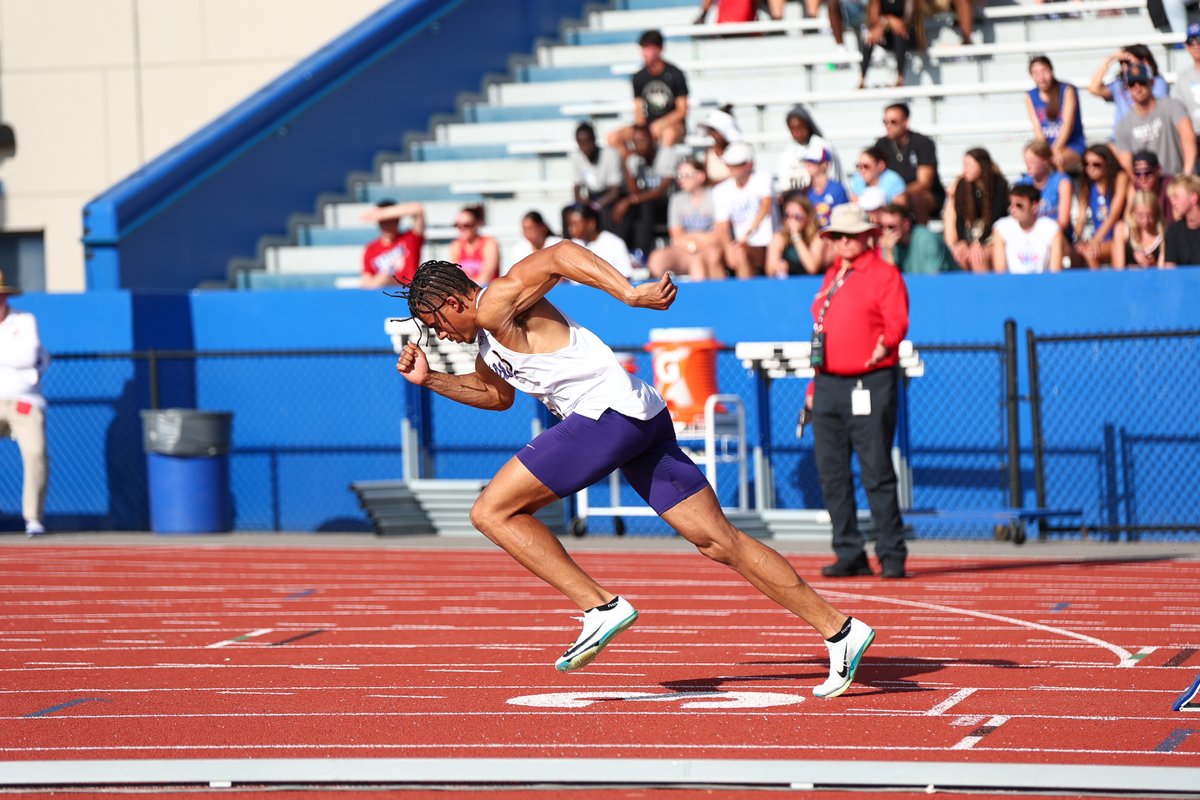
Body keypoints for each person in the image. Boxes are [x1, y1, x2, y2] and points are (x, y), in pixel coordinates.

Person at [394, 244, 876, 697]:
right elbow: (496, 398)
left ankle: (600, 606)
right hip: (638, 418)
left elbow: (560, 255)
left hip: (606, 418)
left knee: (491, 512)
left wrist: (629, 292)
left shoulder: (495, 301)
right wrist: (430, 378)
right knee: (718, 541)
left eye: (433, 324)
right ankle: (841, 629)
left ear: (454, 303)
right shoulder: (487, 341)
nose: (437, 336)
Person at [803, 204, 909, 579]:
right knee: (831, 473)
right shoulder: (834, 273)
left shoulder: (883, 273)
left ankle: (892, 552)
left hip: (870, 381)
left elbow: (897, 318)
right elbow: (823, 329)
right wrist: (815, 384)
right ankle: (848, 550)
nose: (844, 242)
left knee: (876, 470)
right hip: (829, 383)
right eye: (838, 236)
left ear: (867, 237)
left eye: (850, 235)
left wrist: (887, 342)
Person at [0, 271, 49, 537]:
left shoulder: (25, 319)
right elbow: (24, 356)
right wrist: (13, 355)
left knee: (36, 455)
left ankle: (33, 519)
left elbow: (31, 354)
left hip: (25, 402)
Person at [607, 30, 690, 156]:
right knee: (613, 138)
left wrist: (662, 123)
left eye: (648, 48)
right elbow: (639, 111)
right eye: (643, 48)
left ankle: (661, 171)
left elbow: (682, 110)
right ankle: (631, 169)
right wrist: (642, 131)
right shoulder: (639, 77)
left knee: (669, 134)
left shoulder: (675, 74)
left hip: (673, 125)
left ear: (659, 49)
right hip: (648, 125)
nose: (644, 53)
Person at [647, 159, 725, 280]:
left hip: (709, 250)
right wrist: (696, 242)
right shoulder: (676, 200)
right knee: (656, 259)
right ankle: (656, 296)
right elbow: (676, 236)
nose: (681, 179)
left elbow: (718, 235)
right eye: (679, 175)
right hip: (686, 249)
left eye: (686, 175)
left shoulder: (715, 196)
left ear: (701, 176)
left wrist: (691, 239)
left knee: (700, 261)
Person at [1114, 63, 1195, 180]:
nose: (1137, 88)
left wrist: (1187, 173)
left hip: (1176, 178)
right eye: (1132, 84)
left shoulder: (1172, 106)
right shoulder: (1124, 124)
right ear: (1127, 87)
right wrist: (1140, 184)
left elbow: (1188, 137)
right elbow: (1126, 163)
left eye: (1141, 82)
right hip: (1146, 185)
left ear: (1151, 83)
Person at [612, 124, 678, 261]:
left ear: (652, 140)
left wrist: (629, 200)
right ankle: (618, 253)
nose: (639, 145)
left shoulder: (667, 154)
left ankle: (641, 253)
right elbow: (634, 192)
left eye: (642, 141)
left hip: (670, 204)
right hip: (647, 204)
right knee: (631, 206)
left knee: (643, 204)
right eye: (635, 142)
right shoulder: (635, 160)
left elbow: (661, 191)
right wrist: (625, 162)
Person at [874, 103, 945, 224]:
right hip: (892, 194)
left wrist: (900, 193)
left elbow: (924, 183)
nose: (888, 126)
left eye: (893, 122)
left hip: (925, 196)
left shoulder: (922, 143)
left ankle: (920, 237)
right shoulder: (881, 145)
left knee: (916, 199)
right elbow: (874, 175)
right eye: (885, 122)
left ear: (905, 122)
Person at [712, 141, 775, 278]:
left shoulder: (763, 179)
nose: (730, 168)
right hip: (741, 244)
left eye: (735, 164)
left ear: (748, 165)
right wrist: (729, 247)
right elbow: (722, 225)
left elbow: (766, 206)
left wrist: (748, 233)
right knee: (713, 256)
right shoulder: (721, 190)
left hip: (766, 244)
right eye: (729, 164)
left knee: (740, 252)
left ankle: (743, 295)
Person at [943, 147, 1009, 272]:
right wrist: (963, 242)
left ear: (982, 165)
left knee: (977, 257)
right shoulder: (962, 185)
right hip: (972, 237)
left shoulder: (999, 185)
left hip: (992, 238)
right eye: (964, 165)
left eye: (969, 165)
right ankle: (964, 290)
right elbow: (960, 219)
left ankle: (985, 291)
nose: (965, 170)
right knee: (959, 255)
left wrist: (979, 243)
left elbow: (996, 218)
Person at [1088, 44, 1170, 138]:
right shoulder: (1119, 84)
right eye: (1121, 63)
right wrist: (1111, 59)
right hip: (1120, 140)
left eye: (1128, 62)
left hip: (1147, 137)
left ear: (1144, 62)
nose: (1124, 66)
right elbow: (1093, 88)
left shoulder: (1156, 82)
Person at [1025, 55, 1086, 174]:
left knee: (1056, 161)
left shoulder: (1067, 90)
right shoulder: (1030, 96)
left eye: (1044, 71)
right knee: (1035, 164)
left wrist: (1054, 150)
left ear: (1051, 70)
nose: (1041, 77)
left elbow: (1067, 126)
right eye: (1036, 73)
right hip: (1047, 148)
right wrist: (1044, 152)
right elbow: (1038, 130)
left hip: (1071, 145)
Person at [1072, 145, 1127, 269]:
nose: (1090, 168)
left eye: (1096, 164)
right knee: (1076, 252)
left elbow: (1114, 214)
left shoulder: (1120, 178)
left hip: (1117, 237)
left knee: (1090, 253)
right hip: (1099, 237)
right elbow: (1081, 217)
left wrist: (1095, 241)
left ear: (1107, 164)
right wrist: (1077, 240)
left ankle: (1100, 287)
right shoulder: (1086, 185)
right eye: (1086, 164)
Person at [992, 185, 1064, 273]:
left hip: (1043, 284)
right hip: (1012, 285)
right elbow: (1000, 272)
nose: (1012, 209)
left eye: (1019, 205)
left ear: (1034, 207)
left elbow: (1055, 272)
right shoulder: (1001, 228)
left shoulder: (1051, 229)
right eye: (1011, 204)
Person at [568, 122, 623, 231]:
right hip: (591, 197)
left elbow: (615, 191)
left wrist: (596, 205)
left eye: (588, 141)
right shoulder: (576, 158)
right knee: (568, 212)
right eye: (581, 143)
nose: (586, 147)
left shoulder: (610, 154)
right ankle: (571, 245)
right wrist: (583, 202)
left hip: (609, 197)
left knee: (606, 212)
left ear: (594, 139)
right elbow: (577, 189)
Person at [776, 105, 843, 193]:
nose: (798, 133)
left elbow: (832, 178)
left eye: (801, 128)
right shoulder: (787, 153)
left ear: (808, 125)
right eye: (793, 130)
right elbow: (784, 185)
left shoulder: (822, 146)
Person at [859, 0, 925, 89]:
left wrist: (887, 21)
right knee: (869, 37)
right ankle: (862, 78)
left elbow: (909, 19)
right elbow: (873, 20)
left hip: (907, 35)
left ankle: (900, 77)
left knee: (899, 32)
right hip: (887, 33)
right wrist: (888, 20)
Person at [360, 200, 426, 288]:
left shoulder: (411, 239)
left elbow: (418, 210)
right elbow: (366, 278)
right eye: (384, 221)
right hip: (382, 294)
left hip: (408, 291)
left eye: (391, 221)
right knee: (380, 278)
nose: (387, 225)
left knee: (383, 278)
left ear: (398, 221)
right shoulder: (371, 248)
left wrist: (381, 214)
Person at [876, 203, 956, 274]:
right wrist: (889, 253)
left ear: (906, 225)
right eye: (882, 227)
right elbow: (889, 282)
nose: (885, 232)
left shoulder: (927, 240)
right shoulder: (888, 246)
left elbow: (935, 281)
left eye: (891, 227)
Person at [1016, 140, 1073, 237]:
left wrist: (1038, 232)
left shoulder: (1062, 182)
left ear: (1046, 162)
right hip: (1029, 235)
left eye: (1032, 162)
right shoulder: (1022, 184)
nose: (1028, 166)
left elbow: (1063, 222)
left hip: (1056, 235)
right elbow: (1017, 217)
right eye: (1026, 162)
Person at [766, 193, 828, 277]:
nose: (792, 221)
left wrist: (796, 236)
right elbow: (769, 270)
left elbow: (812, 268)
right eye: (788, 216)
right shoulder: (779, 237)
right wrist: (777, 267)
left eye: (797, 217)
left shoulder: (817, 237)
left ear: (808, 218)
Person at [566, 203, 635, 278]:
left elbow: (626, 276)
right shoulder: (572, 245)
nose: (570, 229)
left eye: (575, 224)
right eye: (569, 225)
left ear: (591, 223)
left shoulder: (615, 243)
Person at [1112, 189, 1166, 269]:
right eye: (1141, 216)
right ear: (1134, 213)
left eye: (1150, 216)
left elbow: (1163, 273)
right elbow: (1119, 270)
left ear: (1156, 213)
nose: (1145, 221)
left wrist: (1152, 265)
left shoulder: (1165, 234)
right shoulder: (1122, 230)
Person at [448, 205, 500, 286]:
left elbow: (486, 277)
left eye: (466, 225)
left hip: (486, 291)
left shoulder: (489, 243)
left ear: (476, 224)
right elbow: (455, 275)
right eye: (458, 225)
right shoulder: (456, 245)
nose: (461, 229)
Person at [806, 144, 851, 228]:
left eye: (813, 162)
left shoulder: (837, 189)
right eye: (807, 162)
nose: (808, 165)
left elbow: (845, 218)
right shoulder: (805, 191)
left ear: (825, 164)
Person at [503, 211, 562, 277]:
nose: (528, 234)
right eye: (525, 229)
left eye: (531, 229)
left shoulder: (557, 244)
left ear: (542, 227)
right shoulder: (518, 249)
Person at [1172, 25, 1200, 157]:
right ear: (1186, 46)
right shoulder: (1183, 78)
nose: (1195, 45)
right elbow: (1177, 111)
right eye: (1191, 41)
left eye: (1199, 40)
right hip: (1194, 140)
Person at [698, 106, 743, 185]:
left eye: (717, 131)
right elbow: (706, 180)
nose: (714, 135)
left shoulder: (741, 151)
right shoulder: (709, 152)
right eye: (712, 130)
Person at [1128, 150, 1175, 225]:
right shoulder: (1135, 187)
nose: (1143, 178)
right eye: (1137, 173)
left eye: (1147, 172)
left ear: (1158, 170)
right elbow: (1128, 216)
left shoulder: (1170, 184)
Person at [1164, 174, 1200, 267]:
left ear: (1194, 197)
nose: (1172, 202)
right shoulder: (1173, 232)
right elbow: (1170, 270)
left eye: (1176, 197)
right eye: (1171, 198)